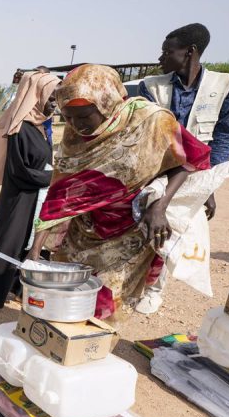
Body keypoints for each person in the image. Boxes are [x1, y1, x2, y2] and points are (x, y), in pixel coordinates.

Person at [28, 65, 210, 321]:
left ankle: (89, 352)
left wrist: (160, 206)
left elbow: (187, 160)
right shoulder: (74, 137)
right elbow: (61, 192)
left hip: (130, 232)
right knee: (66, 298)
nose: (75, 125)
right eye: (67, 117)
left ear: (106, 103)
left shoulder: (150, 120)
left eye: (83, 116)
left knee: (105, 303)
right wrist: (35, 250)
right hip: (84, 230)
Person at [135, 23, 229, 313]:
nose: (160, 57)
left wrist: (207, 188)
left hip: (196, 175)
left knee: (173, 232)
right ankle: (131, 283)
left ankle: (154, 289)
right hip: (157, 170)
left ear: (190, 52)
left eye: (168, 51)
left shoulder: (225, 86)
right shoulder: (151, 86)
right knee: (144, 223)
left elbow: (224, 135)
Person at [0, 71, 60, 309]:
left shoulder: (41, 125)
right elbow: (19, 171)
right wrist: (55, 176)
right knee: (9, 243)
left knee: (29, 244)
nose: (54, 103)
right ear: (37, 95)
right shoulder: (21, 128)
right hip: (21, 196)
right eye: (51, 98)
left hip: (35, 194)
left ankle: (18, 288)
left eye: (56, 99)